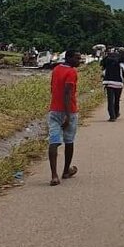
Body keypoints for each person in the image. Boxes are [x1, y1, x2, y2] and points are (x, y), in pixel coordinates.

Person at [48, 49, 83, 186]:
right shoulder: (72, 72)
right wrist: (68, 116)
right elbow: (68, 93)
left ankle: (54, 175)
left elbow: (53, 88)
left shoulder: (56, 69)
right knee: (69, 141)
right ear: (69, 58)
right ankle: (66, 171)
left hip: (54, 110)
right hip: (69, 111)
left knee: (54, 141)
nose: (79, 61)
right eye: (77, 58)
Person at [101, 49, 124, 121]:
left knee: (110, 100)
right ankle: (116, 113)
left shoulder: (107, 64)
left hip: (108, 83)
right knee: (117, 99)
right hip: (118, 84)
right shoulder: (120, 63)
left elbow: (103, 73)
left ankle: (112, 116)